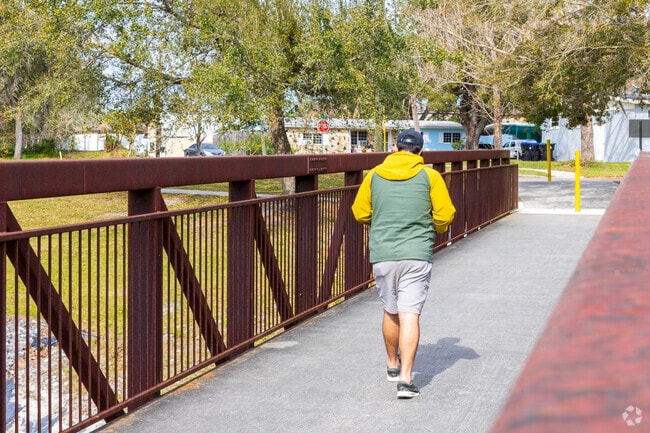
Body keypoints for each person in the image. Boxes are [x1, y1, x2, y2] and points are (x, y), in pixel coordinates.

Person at [351, 128, 456, 399]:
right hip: (416, 253)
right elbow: (445, 215)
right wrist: (434, 228)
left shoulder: (374, 175)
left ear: (395, 148)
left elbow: (360, 212)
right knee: (411, 313)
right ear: (421, 152)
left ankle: (392, 366)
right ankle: (407, 381)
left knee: (390, 309)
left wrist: (382, 220)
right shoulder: (430, 176)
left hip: (383, 253)